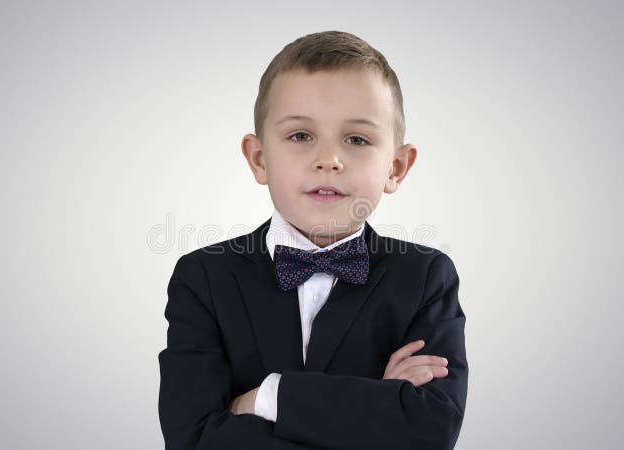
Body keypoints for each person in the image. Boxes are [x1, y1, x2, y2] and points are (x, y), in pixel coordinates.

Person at [158, 30, 468, 450]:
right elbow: (192, 439)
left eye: (357, 139)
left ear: (396, 167)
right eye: (301, 136)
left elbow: (429, 432)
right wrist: (377, 403)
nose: (329, 160)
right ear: (259, 158)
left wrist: (267, 398)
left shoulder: (425, 277)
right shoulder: (204, 277)